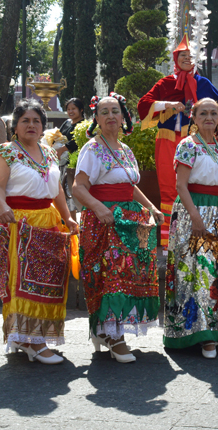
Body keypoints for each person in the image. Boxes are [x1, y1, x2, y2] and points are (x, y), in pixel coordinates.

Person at [72, 93, 164, 363]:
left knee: (129, 275)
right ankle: (112, 336)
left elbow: (129, 186)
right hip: (106, 222)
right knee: (112, 275)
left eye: (116, 111)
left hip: (131, 222)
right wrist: (99, 208)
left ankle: (108, 332)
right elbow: (78, 187)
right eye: (105, 112)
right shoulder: (92, 148)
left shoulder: (125, 150)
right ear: (96, 119)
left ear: (124, 117)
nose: (111, 115)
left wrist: (153, 208)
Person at [0, 99, 77, 365]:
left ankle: (29, 336)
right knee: (20, 282)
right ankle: (31, 342)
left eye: (36, 121)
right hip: (17, 222)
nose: (31, 125)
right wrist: (3, 206)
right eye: (25, 120)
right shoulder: (4, 152)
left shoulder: (48, 153)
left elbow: (58, 189)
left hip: (47, 222)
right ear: (15, 126)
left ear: (43, 127)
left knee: (49, 280)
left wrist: (68, 218)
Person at [163, 98, 218, 358]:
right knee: (196, 271)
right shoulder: (187, 145)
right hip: (193, 210)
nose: (209, 117)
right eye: (203, 113)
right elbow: (181, 185)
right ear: (193, 117)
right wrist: (195, 215)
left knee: (216, 270)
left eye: (213, 113)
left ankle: (213, 328)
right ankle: (199, 334)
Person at [138, 35, 218, 248]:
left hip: (197, 141)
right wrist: (167, 104)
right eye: (182, 55)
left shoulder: (203, 83)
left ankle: (199, 233)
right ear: (175, 59)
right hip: (168, 140)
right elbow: (144, 104)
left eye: (191, 55)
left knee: (195, 186)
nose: (187, 59)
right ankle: (170, 242)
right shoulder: (165, 83)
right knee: (169, 188)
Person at [56, 97, 86, 219]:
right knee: (61, 190)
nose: (71, 111)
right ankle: (64, 220)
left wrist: (63, 148)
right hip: (62, 161)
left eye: (73, 109)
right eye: (68, 109)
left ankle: (73, 222)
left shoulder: (84, 125)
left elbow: (76, 142)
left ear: (81, 109)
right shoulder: (67, 123)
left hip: (74, 163)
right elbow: (59, 135)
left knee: (69, 192)